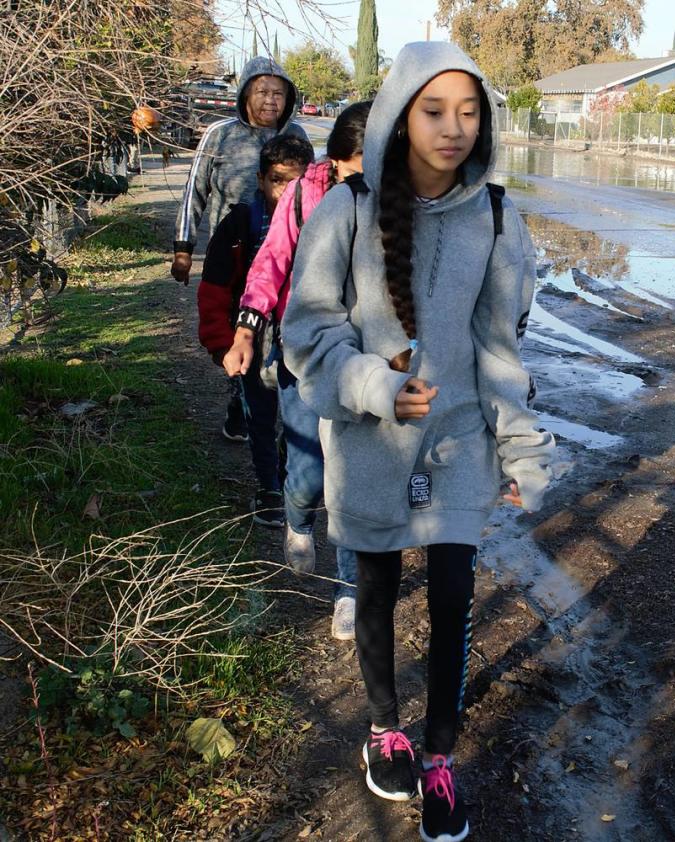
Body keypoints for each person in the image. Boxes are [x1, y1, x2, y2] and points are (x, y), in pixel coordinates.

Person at [281, 42, 555, 842]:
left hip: (459, 445)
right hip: (369, 445)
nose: (455, 128)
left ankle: (438, 754)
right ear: (401, 119)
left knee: (452, 596)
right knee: (372, 588)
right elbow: (307, 331)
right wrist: (373, 385)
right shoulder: (348, 210)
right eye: (435, 111)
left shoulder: (498, 218)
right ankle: (382, 728)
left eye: (470, 112)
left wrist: (521, 449)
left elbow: (500, 350)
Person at [223, 101, 372, 642]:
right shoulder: (305, 195)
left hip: (364, 362)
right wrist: (245, 330)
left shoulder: (398, 195)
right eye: (357, 169)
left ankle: (349, 590)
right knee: (308, 473)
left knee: (353, 481)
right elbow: (271, 261)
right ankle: (298, 518)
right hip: (303, 352)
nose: (367, 181)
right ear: (335, 160)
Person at [172, 56, 309, 444]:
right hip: (232, 258)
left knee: (278, 334)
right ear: (245, 94)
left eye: (279, 93)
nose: (271, 101)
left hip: (285, 261)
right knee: (237, 332)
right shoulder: (220, 134)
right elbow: (194, 191)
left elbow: (313, 194)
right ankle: (242, 399)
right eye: (262, 92)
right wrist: (184, 248)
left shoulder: (296, 134)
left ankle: (276, 407)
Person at [197, 134, 314, 532]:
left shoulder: (323, 222)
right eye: (279, 180)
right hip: (251, 332)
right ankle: (268, 485)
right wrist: (221, 342)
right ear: (262, 179)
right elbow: (214, 287)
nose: (287, 191)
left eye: (297, 181)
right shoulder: (240, 222)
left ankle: (287, 473)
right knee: (260, 414)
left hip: (302, 335)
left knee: (299, 416)